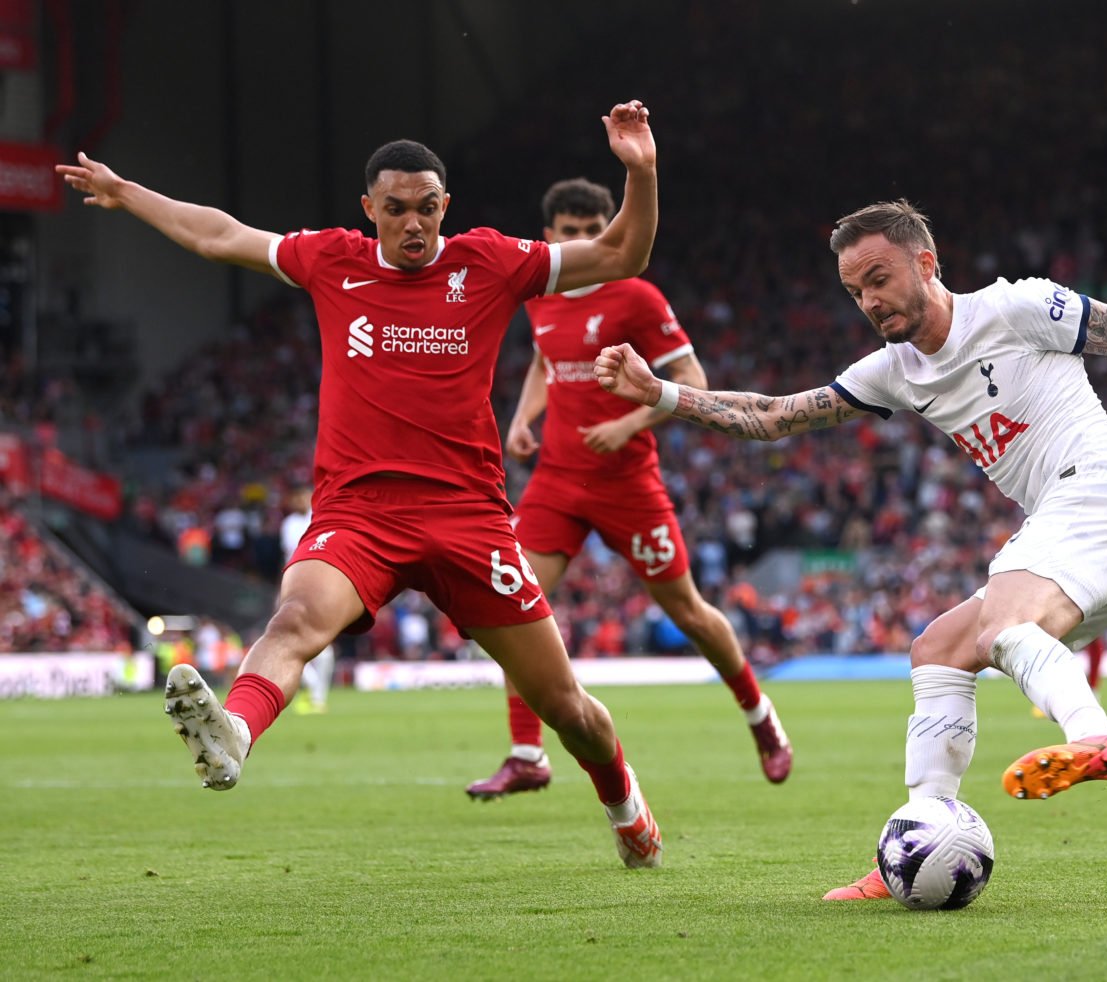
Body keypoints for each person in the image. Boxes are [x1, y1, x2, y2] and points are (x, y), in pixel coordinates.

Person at [592, 199, 1107, 899]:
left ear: (925, 263)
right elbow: (772, 417)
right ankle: (920, 833)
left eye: (879, 278)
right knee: (940, 650)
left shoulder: (1015, 308)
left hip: (1106, 491)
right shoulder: (891, 371)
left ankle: (1094, 735)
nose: (869, 300)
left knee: (1006, 625)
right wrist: (661, 392)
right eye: (855, 290)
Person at [57, 100, 669, 868]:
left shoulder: (490, 262)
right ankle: (236, 733)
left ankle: (626, 805)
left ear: (445, 207)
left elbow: (623, 256)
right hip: (360, 513)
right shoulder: (331, 259)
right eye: (394, 211)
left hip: (469, 519)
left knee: (566, 710)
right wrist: (126, 193)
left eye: (425, 209)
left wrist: (639, 171)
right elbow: (218, 236)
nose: (412, 225)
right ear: (368, 210)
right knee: (293, 623)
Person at [465, 178, 792, 799]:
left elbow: (690, 377)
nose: (583, 240)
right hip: (558, 481)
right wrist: (524, 417)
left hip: (628, 484)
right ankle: (527, 753)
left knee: (687, 612)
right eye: (570, 230)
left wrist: (631, 420)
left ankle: (759, 715)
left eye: (595, 229)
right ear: (550, 236)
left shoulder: (636, 296)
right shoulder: (539, 292)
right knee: (511, 604)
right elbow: (543, 359)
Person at [279, 486, 334, 714]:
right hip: (297, 583)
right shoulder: (289, 524)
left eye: (304, 496)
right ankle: (312, 690)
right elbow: (291, 554)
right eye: (297, 497)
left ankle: (316, 696)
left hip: (322, 584)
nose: (300, 501)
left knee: (324, 648)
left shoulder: (321, 517)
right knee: (292, 640)